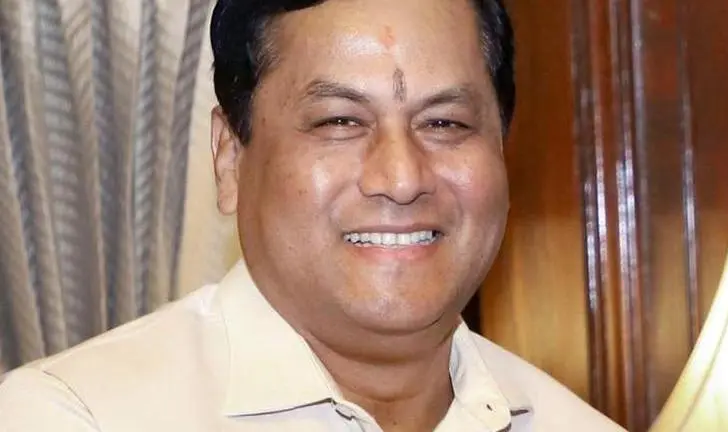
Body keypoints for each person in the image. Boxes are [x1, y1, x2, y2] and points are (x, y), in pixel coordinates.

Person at [0, 0, 625, 430]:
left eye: (445, 123)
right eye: (340, 121)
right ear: (229, 159)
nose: (401, 178)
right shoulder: (78, 415)